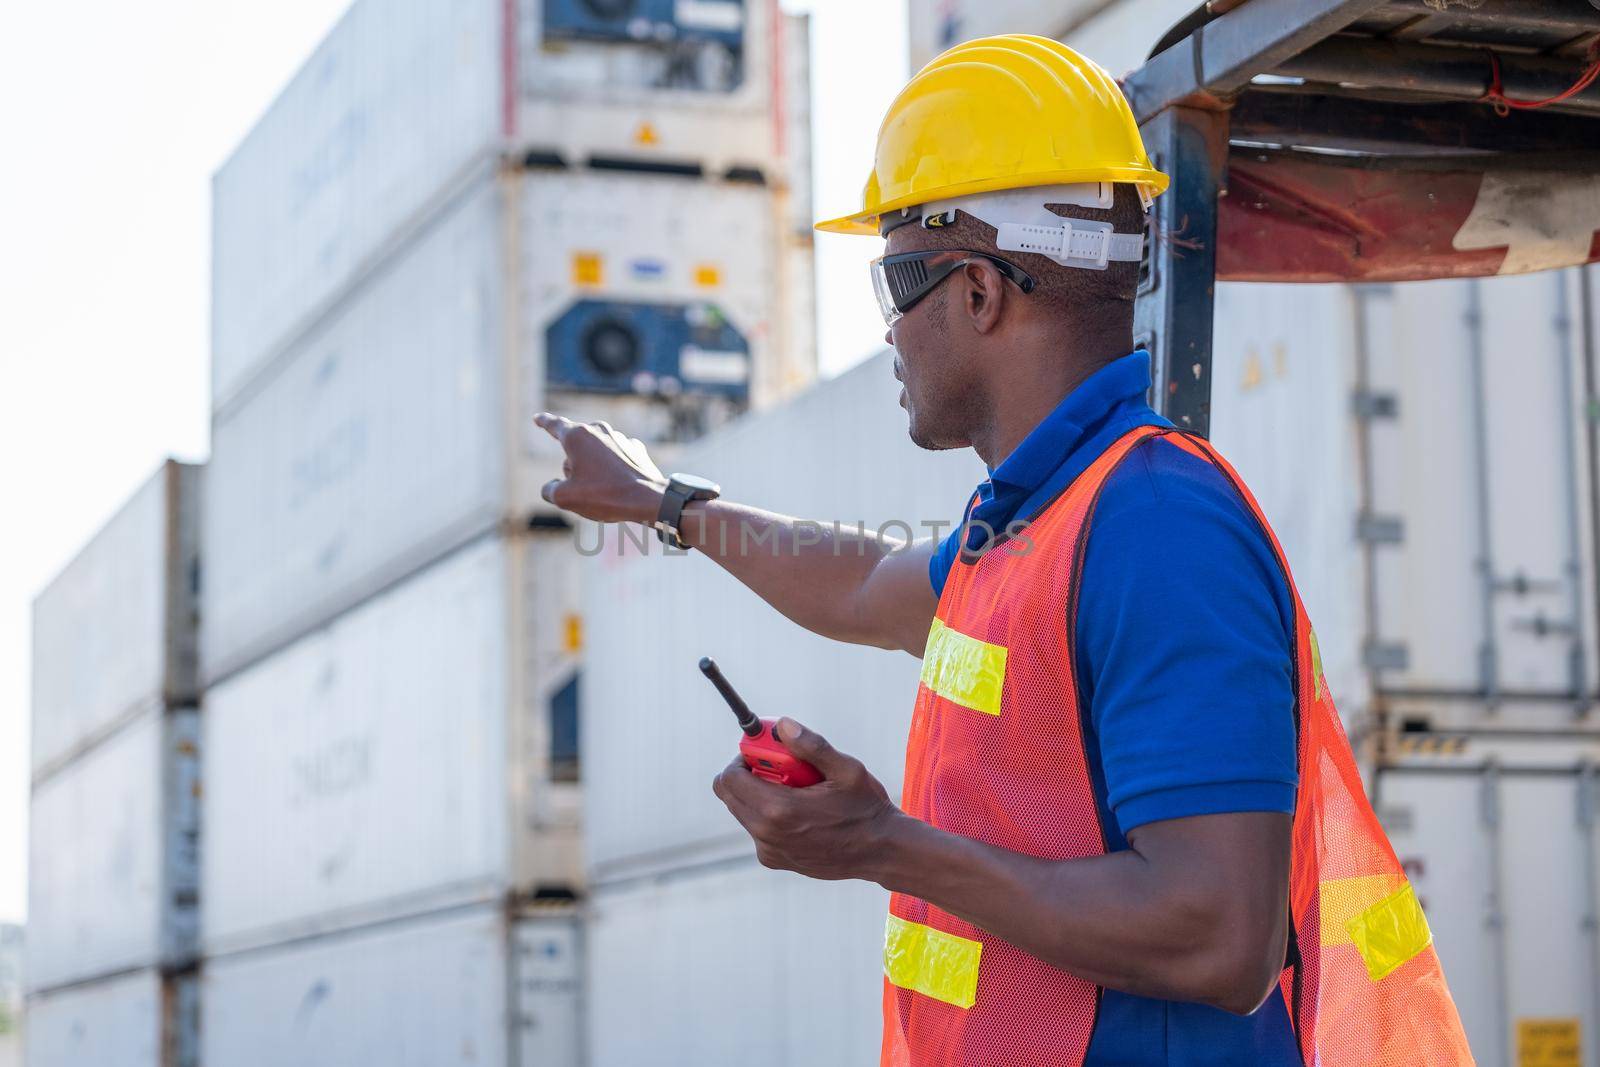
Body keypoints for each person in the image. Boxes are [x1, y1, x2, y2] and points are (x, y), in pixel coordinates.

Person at [534, 33, 1470, 1067]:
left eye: (895, 287)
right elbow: (862, 581)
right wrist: (661, 498)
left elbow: (1218, 933)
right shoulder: (1036, 523)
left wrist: (881, 843)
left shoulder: (1158, 521)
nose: (889, 333)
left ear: (978, 292)